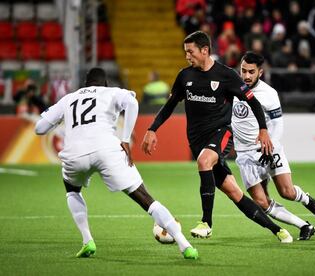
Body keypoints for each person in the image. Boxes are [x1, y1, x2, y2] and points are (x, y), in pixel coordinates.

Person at [141, 31, 293, 243]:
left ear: (205, 50)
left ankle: (206, 223)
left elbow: (253, 102)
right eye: (186, 52)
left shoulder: (227, 75)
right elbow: (170, 105)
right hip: (196, 140)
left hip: (221, 133)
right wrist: (152, 129)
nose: (187, 56)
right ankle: (278, 230)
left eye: (190, 52)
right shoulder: (185, 76)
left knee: (204, 161)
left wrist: (263, 129)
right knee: (235, 193)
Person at [34, 68, 198, 260]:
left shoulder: (68, 98)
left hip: (74, 154)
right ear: (104, 84)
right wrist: (125, 138)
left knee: (72, 190)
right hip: (106, 149)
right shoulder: (112, 92)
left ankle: (88, 241)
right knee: (145, 198)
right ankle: (184, 245)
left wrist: (62, 119)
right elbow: (132, 102)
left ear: (85, 84)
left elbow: (40, 128)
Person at [231, 52, 315, 240]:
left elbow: (277, 122)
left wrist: (271, 147)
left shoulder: (269, 94)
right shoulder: (232, 87)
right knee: (261, 202)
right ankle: (304, 226)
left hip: (269, 150)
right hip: (245, 155)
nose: (246, 76)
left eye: (251, 71)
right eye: (243, 71)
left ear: (261, 72)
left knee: (287, 192)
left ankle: (306, 199)